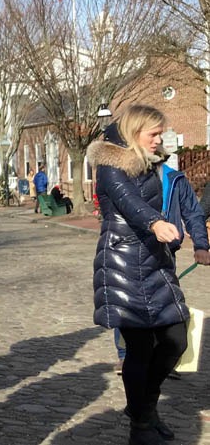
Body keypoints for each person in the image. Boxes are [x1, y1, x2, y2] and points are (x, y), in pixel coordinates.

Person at [87, 104, 209, 444]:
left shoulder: (153, 167)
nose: (160, 139)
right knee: (139, 349)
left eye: (160, 133)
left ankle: (145, 406)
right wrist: (155, 223)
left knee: (176, 340)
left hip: (155, 264)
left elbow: (188, 207)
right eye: (153, 133)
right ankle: (140, 425)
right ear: (134, 132)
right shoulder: (111, 165)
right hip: (123, 265)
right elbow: (129, 203)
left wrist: (198, 241)